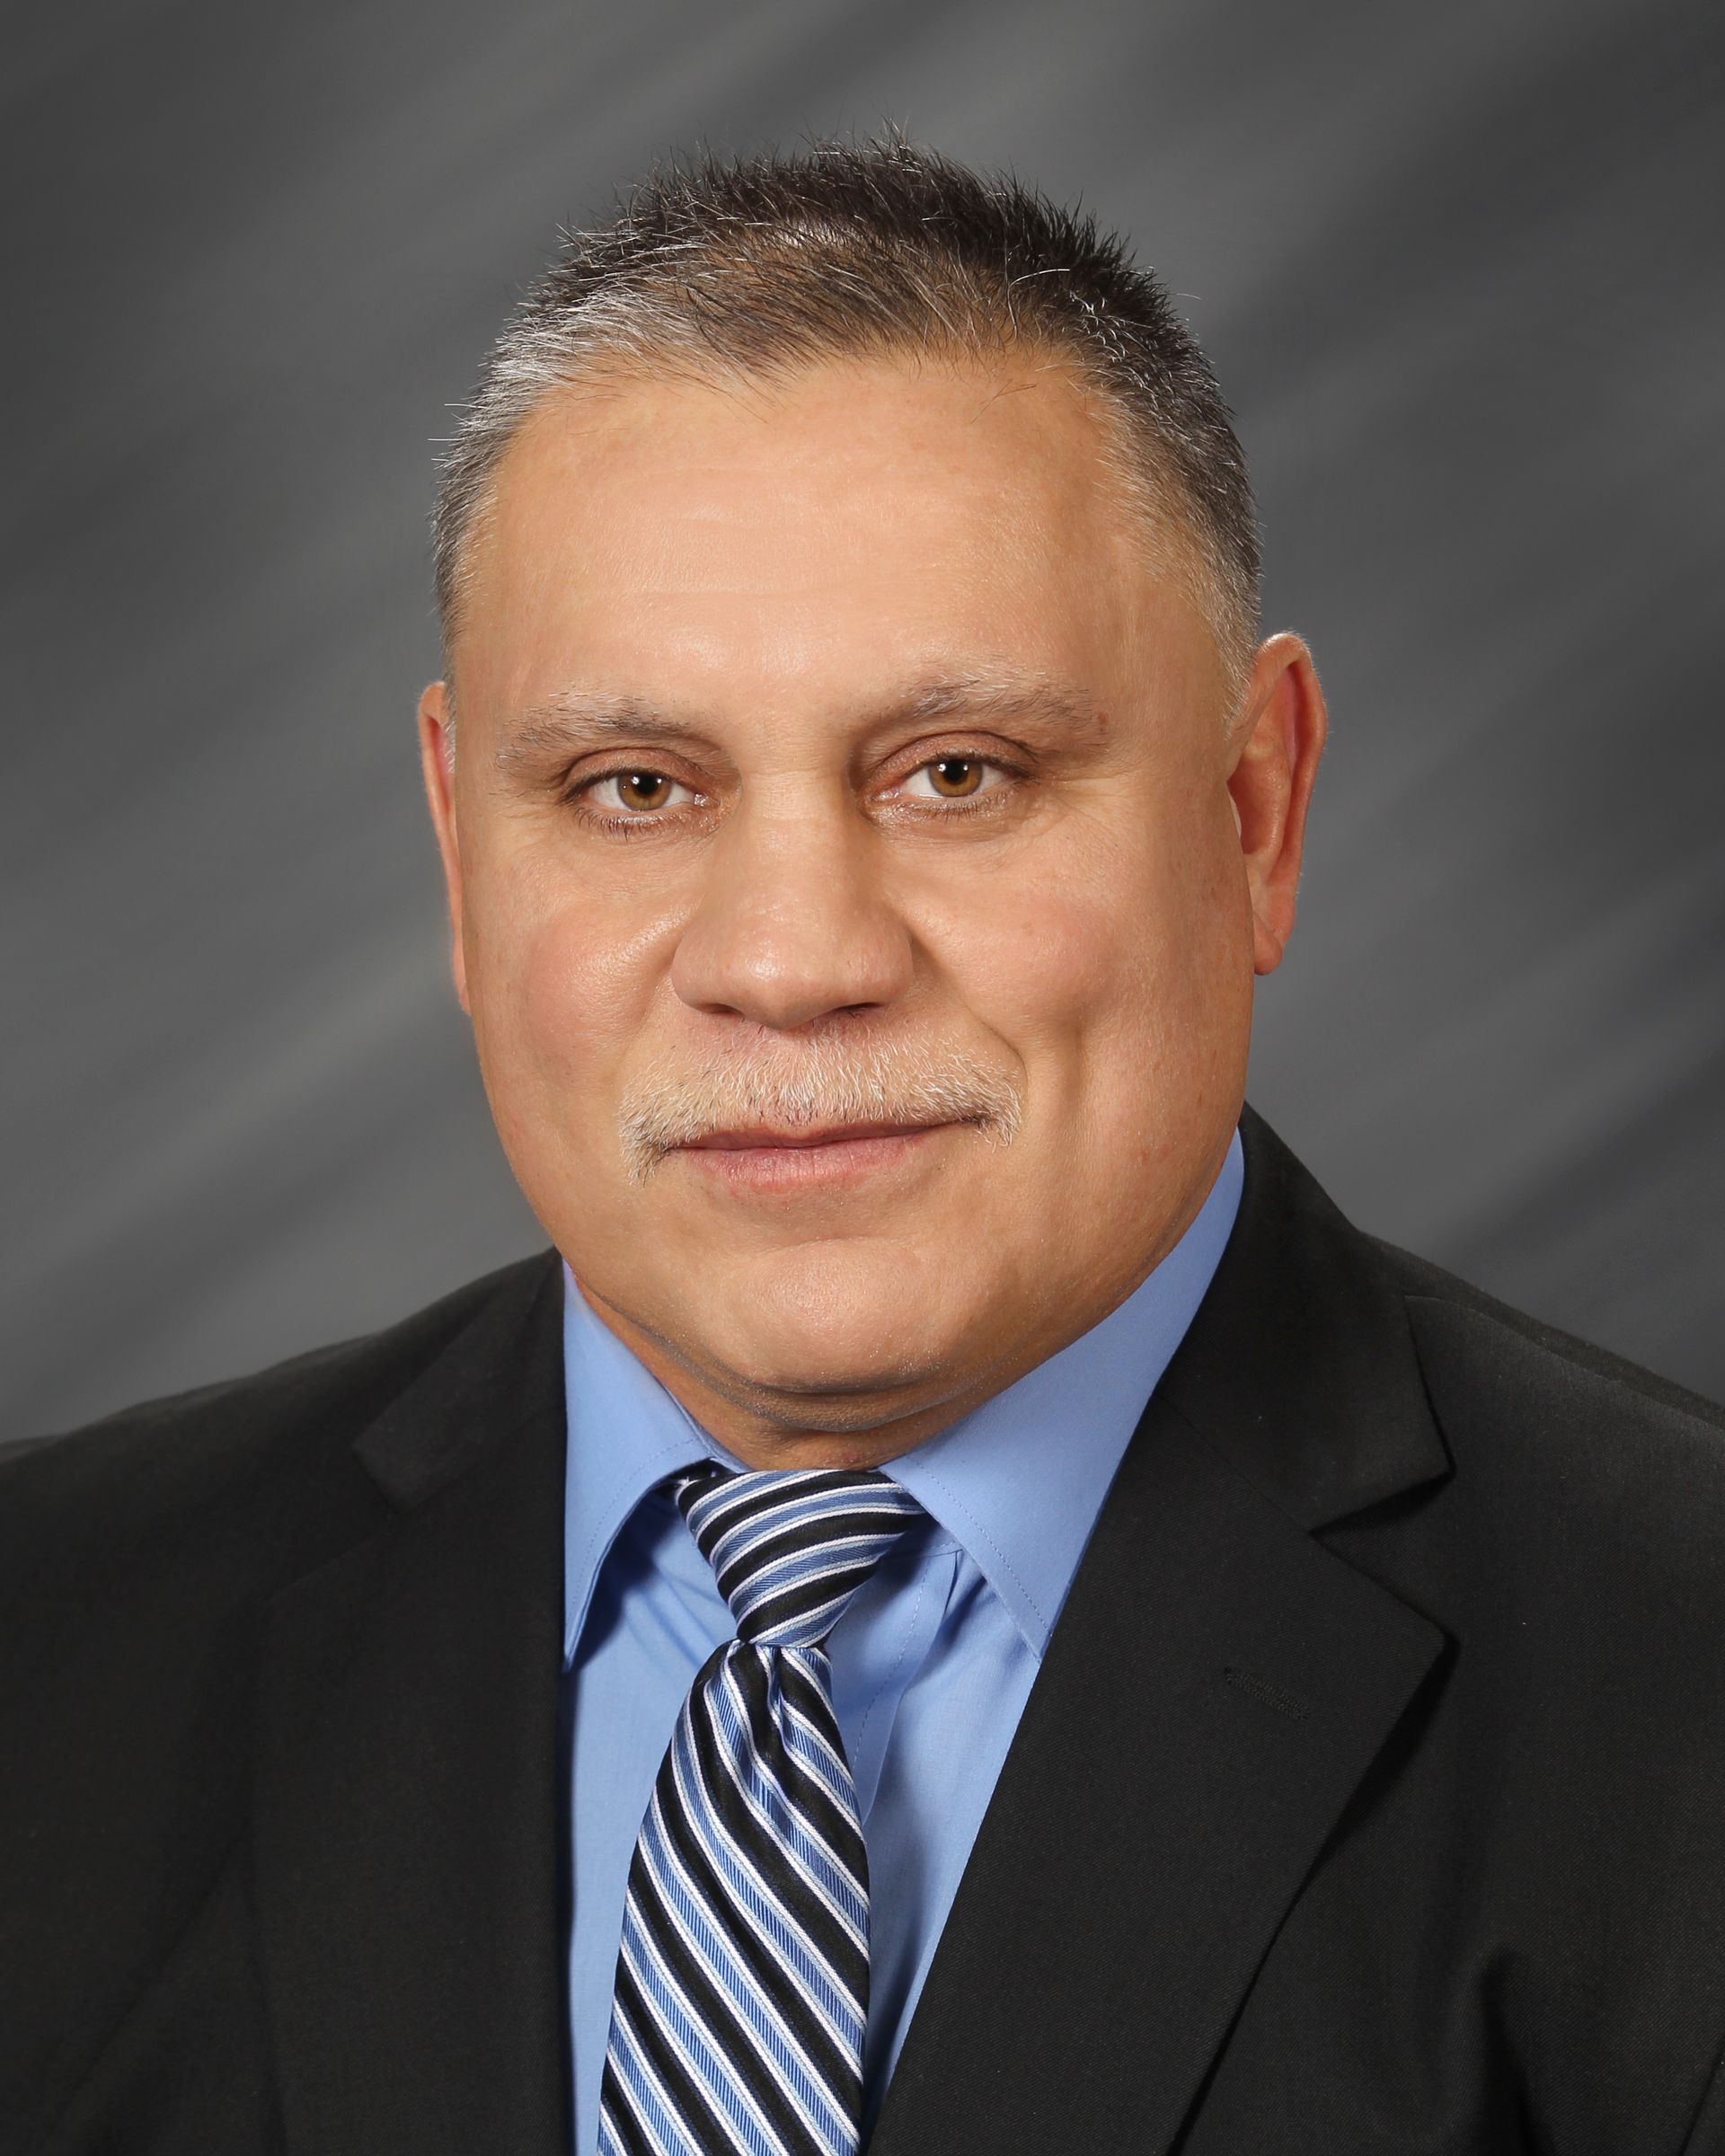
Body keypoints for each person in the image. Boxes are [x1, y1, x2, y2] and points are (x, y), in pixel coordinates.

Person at [3, 132, 1722, 2156]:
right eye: (637, 787)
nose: (792, 961)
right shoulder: (50, 1655)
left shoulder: (1677, 1710)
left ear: (1254, 811)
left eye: (959, 772)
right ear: (463, 853)